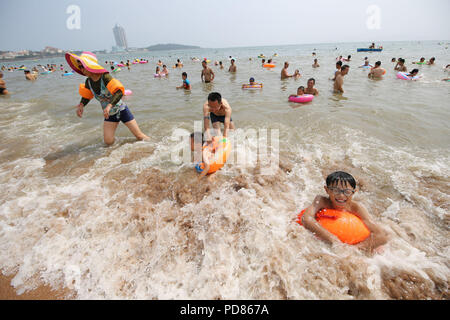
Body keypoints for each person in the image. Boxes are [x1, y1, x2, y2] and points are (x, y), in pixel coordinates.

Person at [66, 51, 149, 145]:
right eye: (79, 67)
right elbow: (87, 96)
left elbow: (119, 92)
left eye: (82, 66)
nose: (81, 70)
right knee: (108, 142)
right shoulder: (88, 82)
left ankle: (156, 146)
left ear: (89, 65)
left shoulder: (105, 77)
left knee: (139, 136)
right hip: (109, 114)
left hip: (121, 110)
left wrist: (109, 106)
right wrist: (81, 105)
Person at [300, 171, 389, 252]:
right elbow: (306, 218)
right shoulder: (321, 201)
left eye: (347, 192)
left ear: (354, 192)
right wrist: (333, 240)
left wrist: (355, 248)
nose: (341, 196)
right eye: (336, 190)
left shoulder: (356, 208)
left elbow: (382, 236)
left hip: (355, 243)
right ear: (327, 190)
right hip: (334, 240)